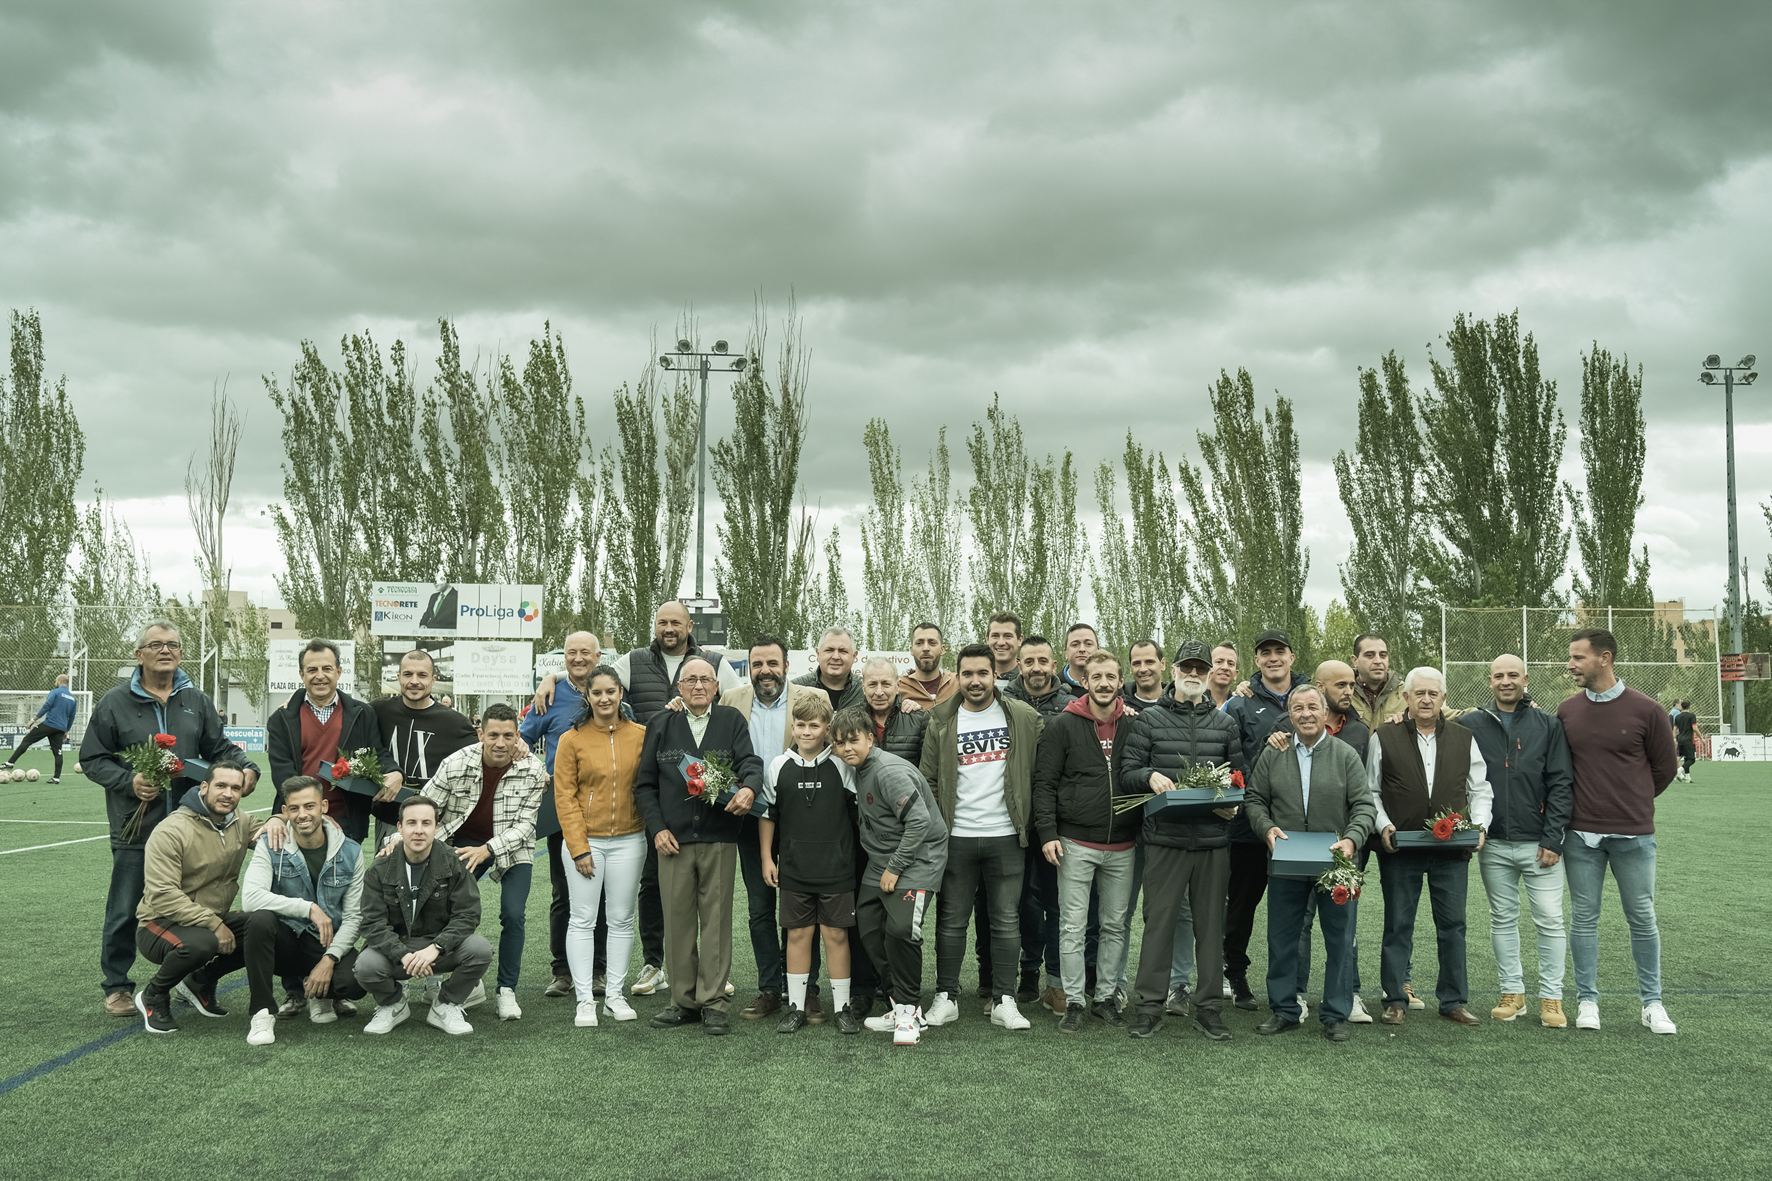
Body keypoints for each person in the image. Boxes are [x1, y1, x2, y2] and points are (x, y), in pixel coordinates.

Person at [531, 603, 738, 997]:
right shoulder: (634, 660)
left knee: (706, 891)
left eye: (676, 622)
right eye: (662, 622)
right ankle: (654, 963)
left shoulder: (714, 663)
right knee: (653, 884)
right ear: (654, 626)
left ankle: (710, 970)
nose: (669, 628)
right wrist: (552, 677)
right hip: (650, 791)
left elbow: (740, 698)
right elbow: (596, 679)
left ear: (690, 626)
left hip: (699, 788)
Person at [78, 620, 257, 1017]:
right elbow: (91, 758)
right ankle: (118, 986)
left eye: (173, 645)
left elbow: (220, 747)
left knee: (195, 903)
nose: (165, 650)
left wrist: (247, 766)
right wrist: (129, 781)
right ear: (138, 655)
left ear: (180, 654)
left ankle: (193, 980)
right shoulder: (115, 702)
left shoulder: (195, 700)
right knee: (125, 907)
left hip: (193, 826)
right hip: (137, 823)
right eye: (156, 644)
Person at [1118, 639, 1244, 1040]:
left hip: (1212, 843)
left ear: (1209, 674)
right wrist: (1149, 776)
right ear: (1173, 671)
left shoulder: (1225, 724)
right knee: (1158, 923)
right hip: (1164, 840)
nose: (1193, 674)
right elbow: (1128, 772)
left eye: (1200, 669)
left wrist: (1232, 805)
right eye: (1186, 667)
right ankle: (1149, 1007)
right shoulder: (1150, 720)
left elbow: (1239, 780)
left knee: (1210, 927)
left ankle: (1209, 1008)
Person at [634, 657, 765, 1035]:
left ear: (716, 687)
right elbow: (645, 785)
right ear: (679, 687)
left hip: (719, 838)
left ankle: (714, 1003)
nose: (698, 686)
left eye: (705, 679)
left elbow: (751, 763)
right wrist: (657, 829)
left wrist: (749, 788)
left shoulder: (731, 721)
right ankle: (683, 1002)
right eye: (690, 679)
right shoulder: (661, 723)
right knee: (677, 923)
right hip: (672, 841)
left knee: (716, 923)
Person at [1558, 629, 1679, 1034]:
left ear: (1604, 658)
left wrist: (1632, 803)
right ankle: (1587, 1001)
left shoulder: (1648, 710)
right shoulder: (1566, 711)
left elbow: (1664, 769)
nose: (1570, 665)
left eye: (1578, 657)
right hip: (1581, 837)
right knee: (1583, 919)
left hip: (1635, 835)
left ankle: (1652, 1004)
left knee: (1642, 917)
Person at [394, 703, 546, 1020]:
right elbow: (424, 807)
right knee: (436, 905)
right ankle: (429, 978)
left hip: (511, 845)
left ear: (518, 736)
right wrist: (395, 842)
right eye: (493, 735)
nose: (500, 743)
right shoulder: (456, 763)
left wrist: (488, 849)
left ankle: (506, 991)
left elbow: (526, 826)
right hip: (461, 843)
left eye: (508, 736)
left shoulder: (533, 769)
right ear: (480, 734)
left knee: (513, 914)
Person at [919, 642, 1041, 1031]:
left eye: (982, 673)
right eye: (967, 674)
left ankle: (1005, 999)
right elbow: (928, 780)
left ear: (995, 676)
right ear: (957, 677)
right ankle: (946, 997)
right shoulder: (941, 720)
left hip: (1007, 835)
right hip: (957, 837)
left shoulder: (1022, 716)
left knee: (1006, 920)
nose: (975, 681)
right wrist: (939, 829)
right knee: (951, 921)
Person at [1245, 686, 1376, 1041]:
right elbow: (1254, 799)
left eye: (1312, 707)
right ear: (1289, 715)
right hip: (1286, 862)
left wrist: (1352, 839)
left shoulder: (1345, 754)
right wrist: (1266, 828)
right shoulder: (1274, 753)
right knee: (1282, 939)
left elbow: (1364, 806)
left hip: (1337, 864)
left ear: (1325, 712)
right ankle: (1284, 1010)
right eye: (1298, 708)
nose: (1305, 714)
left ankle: (1335, 1014)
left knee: (1340, 940)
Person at [719, 635, 835, 1022]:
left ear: (786, 665)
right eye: (757, 664)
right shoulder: (731, 699)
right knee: (760, 908)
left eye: (772, 663)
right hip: (752, 819)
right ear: (749, 667)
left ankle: (807, 990)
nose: (764, 671)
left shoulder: (813, 697)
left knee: (806, 907)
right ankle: (770, 988)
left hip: (805, 819)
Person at [1368, 666, 1491, 1027]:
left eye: (1432, 694)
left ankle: (1453, 1000)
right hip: (1400, 850)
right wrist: (1383, 825)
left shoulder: (1464, 738)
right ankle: (1395, 999)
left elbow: (1480, 789)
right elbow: (1370, 790)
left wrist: (1480, 826)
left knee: (1453, 925)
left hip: (1451, 851)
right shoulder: (1384, 737)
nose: (1425, 700)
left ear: (1443, 698)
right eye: (1418, 693)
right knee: (1397, 924)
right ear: (1406, 697)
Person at [131, 759, 287, 1034]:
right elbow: (163, 895)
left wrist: (278, 819)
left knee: (266, 927)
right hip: (160, 923)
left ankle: (199, 982)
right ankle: (153, 995)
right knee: (203, 943)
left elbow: (270, 835)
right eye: (221, 786)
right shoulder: (172, 829)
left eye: (235, 788)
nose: (228, 794)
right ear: (204, 787)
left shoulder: (240, 820)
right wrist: (214, 924)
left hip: (210, 920)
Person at [519, 631, 634, 1001]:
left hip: (611, 815)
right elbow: (521, 742)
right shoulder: (550, 696)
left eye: (586, 652)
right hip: (563, 810)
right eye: (572, 653)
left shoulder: (615, 694)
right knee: (564, 892)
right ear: (564, 657)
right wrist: (539, 774)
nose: (579, 658)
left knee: (606, 897)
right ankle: (563, 971)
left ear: (599, 657)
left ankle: (598, 970)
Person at [1462, 655, 1574, 1029]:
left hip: (1539, 843)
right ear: (1490, 680)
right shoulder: (1471, 724)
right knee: (1502, 918)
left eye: (1513, 675)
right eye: (1499, 676)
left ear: (1526, 679)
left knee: (1550, 920)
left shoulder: (1548, 724)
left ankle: (1552, 997)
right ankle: (1512, 993)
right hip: (1493, 844)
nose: (1506, 681)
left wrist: (1553, 838)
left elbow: (1561, 783)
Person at [1034, 649, 1139, 1034]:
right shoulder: (1063, 724)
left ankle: (1106, 998)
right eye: (1097, 677)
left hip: (1123, 844)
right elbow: (1044, 783)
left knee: (1114, 926)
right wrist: (1047, 833)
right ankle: (1075, 1001)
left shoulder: (1135, 724)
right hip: (1076, 841)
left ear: (1120, 680)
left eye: (1111, 677)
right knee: (1072, 926)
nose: (1104, 683)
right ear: (1085, 681)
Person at [837, 707, 949, 1046]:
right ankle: (899, 1005)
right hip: (881, 860)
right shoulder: (859, 768)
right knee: (869, 927)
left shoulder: (888, 771)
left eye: (853, 740)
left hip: (916, 859)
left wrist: (895, 867)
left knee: (901, 930)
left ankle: (911, 1011)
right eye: (840, 743)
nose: (847, 748)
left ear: (870, 739)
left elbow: (920, 822)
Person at [239, 776, 369, 1044]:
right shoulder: (270, 843)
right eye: (294, 808)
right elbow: (250, 899)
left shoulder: (351, 851)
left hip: (325, 942)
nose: (302, 815)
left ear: (324, 807)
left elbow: (354, 916)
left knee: (354, 983)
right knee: (259, 920)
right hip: (286, 941)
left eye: (309, 806)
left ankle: (321, 994)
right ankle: (262, 1013)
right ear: (284, 811)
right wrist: (307, 907)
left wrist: (329, 959)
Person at [761, 693, 864, 1034]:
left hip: (836, 869)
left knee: (836, 935)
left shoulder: (841, 765)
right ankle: (796, 1007)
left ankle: (843, 1008)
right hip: (794, 869)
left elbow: (858, 814)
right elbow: (768, 815)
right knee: (798, 935)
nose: (807, 732)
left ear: (827, 729)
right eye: (801, 725)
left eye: (814, 725)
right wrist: (767, 858)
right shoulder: (779, 766)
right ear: (792, 727)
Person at [553, 663, 648, 1028]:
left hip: (630, 840)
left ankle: (614, 996)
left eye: (611, 691)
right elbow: (564, 797)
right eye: (597, 693)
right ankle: (584, 1001)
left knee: (622, 919)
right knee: (582, 919)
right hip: (586, 842)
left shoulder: (641, 735)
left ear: (621, 693)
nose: (604, 698)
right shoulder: (571, 739)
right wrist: (579, 847)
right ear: (587, 696)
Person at [1219, 629, 1310, 1009]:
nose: (1273, 658)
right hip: (1248, 826)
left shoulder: (1310, 696)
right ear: (1256, 660)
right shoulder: (1241, 703)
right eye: (1265, 652)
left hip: (1298, 824)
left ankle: (1294, 988)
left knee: (1296, 912)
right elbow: (1230, 761)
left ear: (1291, 656)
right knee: (1242, 906)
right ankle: (1235, 973)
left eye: (1280, 651)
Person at [356, 796, 492, 1037]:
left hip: (440, 948)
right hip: (398, 948)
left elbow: (467, 915)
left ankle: (446, 1003)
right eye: (412, 823)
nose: (419, 830)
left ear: (436, 827)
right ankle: (393, 1003)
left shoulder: (455, 863)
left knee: (480, 950)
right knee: (366, 966)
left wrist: (436, 948)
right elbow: (372, 923)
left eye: (426, 823)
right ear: (400, 827)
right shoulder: (380, 868)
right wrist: (403, 954)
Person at [1001, 634, 1076, 1013]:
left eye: (1042, 661)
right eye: (1028, 661)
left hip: (1057, 820)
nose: (1036, 668)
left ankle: (1056, 981)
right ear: (1019, 664)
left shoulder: (1071, 704)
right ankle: (1028, 971)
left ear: (1053, 664)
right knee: (1021, 903)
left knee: (1057, 902)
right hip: (1011, 818)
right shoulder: (1001, 702)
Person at [267, 639, 401, 841]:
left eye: (327, 669)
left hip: (348, 823)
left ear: (338, 672)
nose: (320, 675)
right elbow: (283, 775)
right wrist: (315, 814)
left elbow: (378, 754)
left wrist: (395, 772)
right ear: (302, 675)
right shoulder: (281, 719)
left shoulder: (363, 713)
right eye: (312, 670)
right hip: (299, 820)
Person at [5, 673, 76, 782]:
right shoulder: (73, 698)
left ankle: (10, 762)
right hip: (60, 728)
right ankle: (56, 778)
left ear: (59, 681)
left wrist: (33, 720)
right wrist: (66, 731)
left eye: (56, 681)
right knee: (58, 752)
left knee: (27, 740)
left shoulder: (55, 692)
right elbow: (72, 716)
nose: (55, 682)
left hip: (49, 724)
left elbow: (47, 706)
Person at [795, 627, 865, 713]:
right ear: (818, 654)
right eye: (829, 650)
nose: (835, 657)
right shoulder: (796, 689)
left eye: (843, 651)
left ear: (854, 656)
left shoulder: (866, 691)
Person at [1349, 634, 1409, 731]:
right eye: (1369, 655)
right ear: (1355, 660)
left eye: (1383, 655)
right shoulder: (1343, 692)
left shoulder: (1407, 693)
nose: (1378, 661)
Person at [898, 622, 958, 706]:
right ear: (912, 650)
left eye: (932, 643)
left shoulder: (957, 683)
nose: (925, 648)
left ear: (942, 649)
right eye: (919, 643)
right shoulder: (897, 687)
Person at [1122, 641, 1166, 710]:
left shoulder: (1179, 705)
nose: (1143, 669)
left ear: (1162, 664)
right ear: (1130, 668)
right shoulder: (1119, 708)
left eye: (1149, 662)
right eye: (1136, 663)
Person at [1060, 623, 1099, 694]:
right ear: (1066, 653)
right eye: (1075, 644)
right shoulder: (1052, 687)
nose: (1082, 649)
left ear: (1098, 651)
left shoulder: (1112, 687)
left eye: (1088, 644)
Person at [987, 612, 1023, 686]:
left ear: (1020, 640)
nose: (1001, 643)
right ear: (987, 639)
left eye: (1008, 636)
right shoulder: (974, 680)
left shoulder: (1030, 679)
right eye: (995, 636)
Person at [1672, 700, 1700, 782]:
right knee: (1692, 759)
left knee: (1686, 758)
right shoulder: (1691, 716)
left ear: (1681, 707)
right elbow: (1695, 728)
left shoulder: (1678, 717)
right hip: (1688, 740)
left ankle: (1688, 777)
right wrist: (1701, 736)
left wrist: (1674, 739)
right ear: (1689, 707)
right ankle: (1679, 770)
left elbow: (1674, 729)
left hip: (1680, 739)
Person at [1207, 643, 1239, 710]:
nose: (1225, 667)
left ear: (1236, 674)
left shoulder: (1239, 707)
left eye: (1230, 664)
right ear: (1208, 668)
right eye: (1219, 662)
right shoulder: (1193, 702)